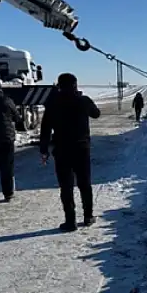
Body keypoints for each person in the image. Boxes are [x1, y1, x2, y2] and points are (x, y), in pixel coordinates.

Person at [39, 73, 101, 232]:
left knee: (66, 186)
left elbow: (45, 128)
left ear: (59, 85)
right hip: (81, 149)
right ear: (75, 85)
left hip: (61, 150)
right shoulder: (83, 101)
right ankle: (88, 216)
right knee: (84, 184)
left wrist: (44, 150)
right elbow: (96, 113)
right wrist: (84, 100)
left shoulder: (52, 103)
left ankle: (70, 221)